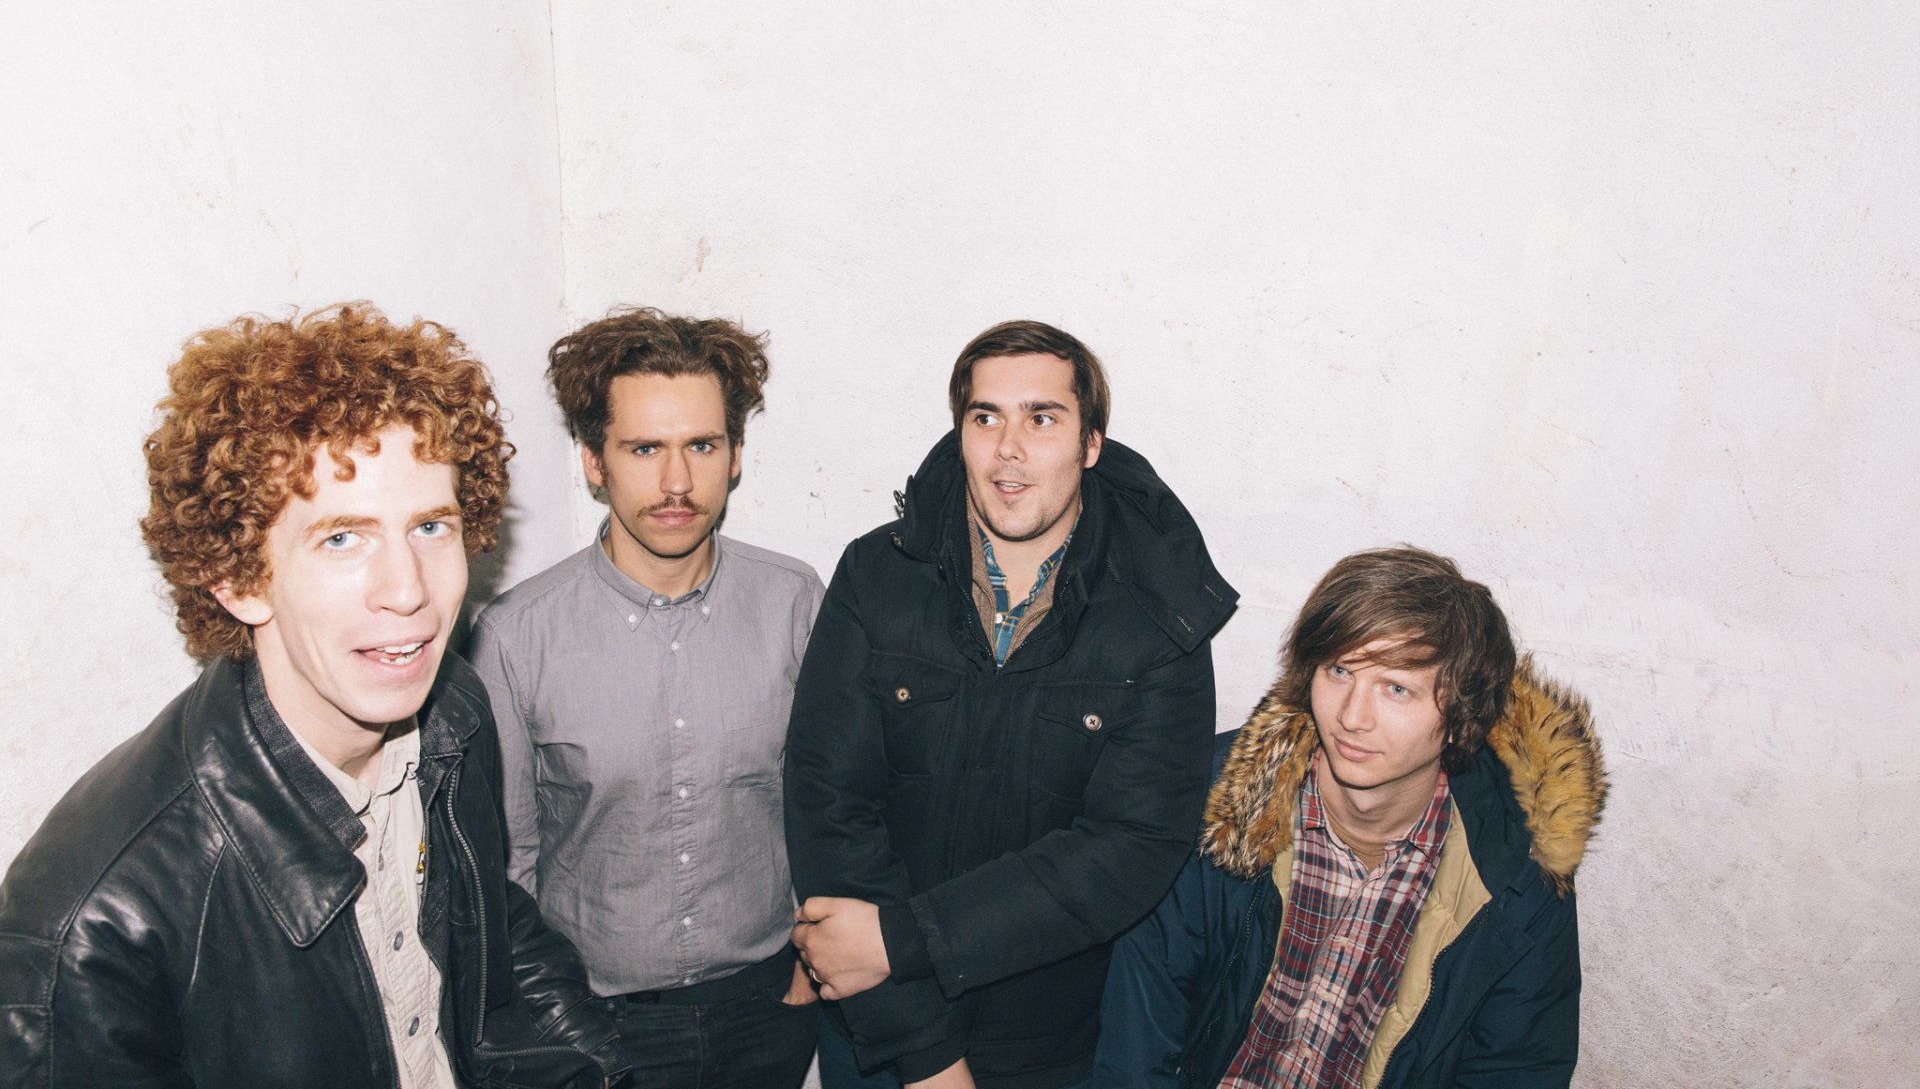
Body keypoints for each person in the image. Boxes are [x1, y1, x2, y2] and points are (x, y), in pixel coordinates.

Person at [0, 303, 628, 1088]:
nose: (409, 593)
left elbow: (494, 927)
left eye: (432, 527)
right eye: (342, 538)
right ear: (237, 577)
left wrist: (597, 1069)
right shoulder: (90, 926)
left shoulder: (451, 713)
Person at [785, 320, 1238, 1089]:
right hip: (880, 1029)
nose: (1009, 450)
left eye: (1043, 418)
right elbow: (829, 808)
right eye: (985, 417)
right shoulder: (877, 575)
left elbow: (1128, 850)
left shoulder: (1161, 611)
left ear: (1091, 442)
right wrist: (923, 1051)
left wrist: (905, 938)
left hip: (1052, 1048)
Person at [1095, 546, 1608, 1088]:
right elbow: (1139, 1036)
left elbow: (1514, 1071)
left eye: (1396, 688)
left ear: (1461, 719)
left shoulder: (1516, 881)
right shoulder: (1214, 803)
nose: (1350, 716)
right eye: (1338, 670)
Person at [470, 308, 824, 1089]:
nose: (676, 482)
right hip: (598, 1022)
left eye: (701, 445)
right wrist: (545, 1021)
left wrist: (811, 959)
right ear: (595, 461)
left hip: (769, 1003)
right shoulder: (515, 635)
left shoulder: (794, 600)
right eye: (643, 449)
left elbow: (827, 800)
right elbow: (509, 860)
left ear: (735, 457)